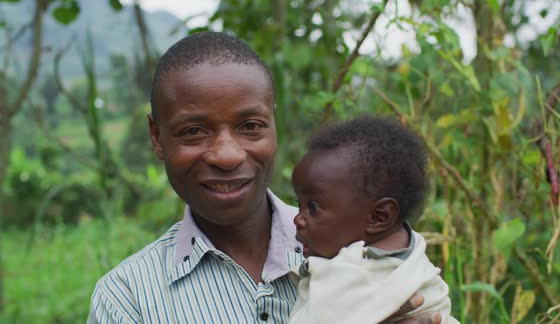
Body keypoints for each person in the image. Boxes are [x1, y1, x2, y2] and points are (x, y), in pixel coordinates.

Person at [87, 32, 441, 323]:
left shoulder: (363, 245)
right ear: (156, 137)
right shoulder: (126, 300)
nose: (227, 155)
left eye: (251, 126)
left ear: (273, 125)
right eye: (193, 131)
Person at [288, 117, 458, 324]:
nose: (297, 219)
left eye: (313, 208)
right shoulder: (412, 256)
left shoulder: (347, 276)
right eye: (300, 205)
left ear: (380, 217)